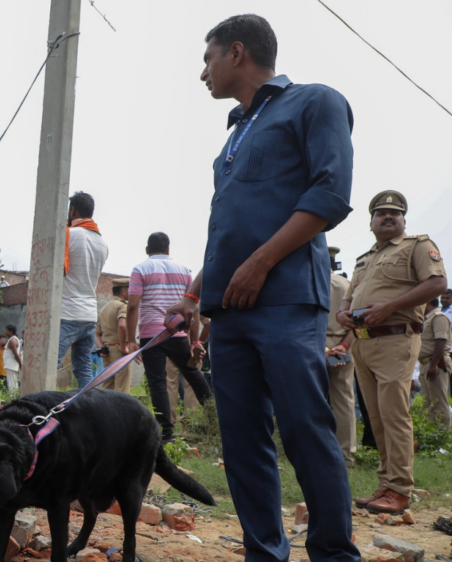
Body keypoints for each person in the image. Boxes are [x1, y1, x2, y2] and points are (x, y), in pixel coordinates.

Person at [166, 14, 360, 560]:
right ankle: (263, 552)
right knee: (243, 442)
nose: (201, 73)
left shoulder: (315, 101)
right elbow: (231, 231)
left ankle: (333, 552)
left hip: (286, 299)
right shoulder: (231, 138)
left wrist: (262, 264)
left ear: (236, 53)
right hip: (230, 312)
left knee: (305, 429)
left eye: (206, 60)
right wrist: (194, 292)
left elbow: (331, 194)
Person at [338, 190, 447, 513]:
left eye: (394, 213)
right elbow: (349, 297)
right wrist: (343, 314)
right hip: (363, 341)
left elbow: (437, 284)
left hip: (396, 339)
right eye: (381, 213)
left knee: (394, 416)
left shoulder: (417, 246)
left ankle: (399, 489)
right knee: (376, 418)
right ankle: (385, 484)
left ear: (403, 220)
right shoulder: (365, 258)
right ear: (371, 222)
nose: (388, 217)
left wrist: (389, 307)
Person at [126, 232, 211, 441]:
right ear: (168, 249)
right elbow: (193, 308)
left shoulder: (140, 269)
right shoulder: (184, 271)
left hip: (150, 335)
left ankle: (165, 434)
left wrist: (130, 340)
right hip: (177, 331)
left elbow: (133, 306)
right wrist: (194, 341)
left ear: (147, 250)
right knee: (192, 374)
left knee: (157, 382)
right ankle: (216, 416)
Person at [57, 192, 109, 389]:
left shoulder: (68, 234)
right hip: (89, 315)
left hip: (67, 312)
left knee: (50, 365)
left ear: (72, 210)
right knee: (84, 368)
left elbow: (58, 270)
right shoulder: (102, 243)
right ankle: (89, 410)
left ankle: (39, 413)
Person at [324, 246, 357, 468]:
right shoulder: (346, 284)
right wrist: (343, 344)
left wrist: (325, 349)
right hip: (344, 345)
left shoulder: (306, 282)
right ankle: (347, 455)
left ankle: (316, 451)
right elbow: (358, 320)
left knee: (310, 399)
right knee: (344, 401)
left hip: (314, 345)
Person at [95, 278, 134, 393]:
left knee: (107, 389)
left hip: (107, 351)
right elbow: (122, 325)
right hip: (120, 351)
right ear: (124, 292)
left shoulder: (104, 308)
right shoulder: (123, 306)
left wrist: (101, 347)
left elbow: (97, 334)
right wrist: (123, 346)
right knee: (122, 390)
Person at [420, 298, 451, 430]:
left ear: (426, 303)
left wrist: (434, 365)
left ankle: (442, 438)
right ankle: (433, 437)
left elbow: (441, 341)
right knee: (429, 404)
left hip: (436, 363)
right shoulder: (427, 318)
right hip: (426, 363)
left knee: (439, 403)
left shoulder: (438, 317)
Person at [3, 325, 22, 392]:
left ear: (11, 331)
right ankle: (13, 398)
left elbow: (16, 354)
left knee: (12, 385)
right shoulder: (12, 339)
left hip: (11, 365)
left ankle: (13, 399)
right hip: (10, 365)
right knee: (13, 384)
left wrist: (20, 364)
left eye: (6, 331)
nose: (5, 332)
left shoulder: (12, 340)